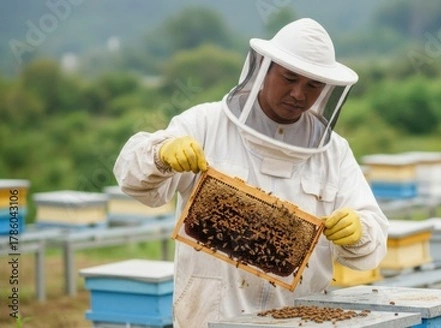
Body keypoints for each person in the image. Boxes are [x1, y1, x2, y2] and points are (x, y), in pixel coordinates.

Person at [114, 18, 388, 327]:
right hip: (209, 317)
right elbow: (132, 179)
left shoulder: (334, 153)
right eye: (289, 78)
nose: (299, 93)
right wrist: (160, 154)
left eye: (312, 85)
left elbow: (372, 242)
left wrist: (359, 231)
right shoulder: (205, 124)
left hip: (299, 319)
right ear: (264, 69)